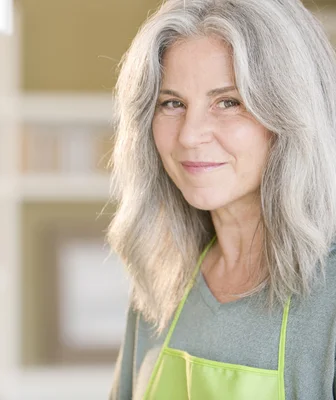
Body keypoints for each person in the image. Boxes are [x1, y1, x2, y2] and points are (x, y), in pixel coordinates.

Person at [107, 0, 336, 398]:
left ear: (292, 113)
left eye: (228, 102)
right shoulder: (161, 276)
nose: (190, 135)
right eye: (172, 103)